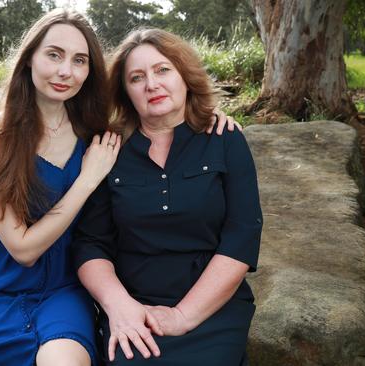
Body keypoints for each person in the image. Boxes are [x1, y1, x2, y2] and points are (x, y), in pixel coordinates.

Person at [0, 9, 240, 366]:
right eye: (54, 55)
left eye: (79, 61)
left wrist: (211, 116)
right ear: (29, 59)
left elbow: (158, 117)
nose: (65, 72)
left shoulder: (96, 133)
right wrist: (87, 180)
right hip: (2, 286)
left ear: (90, 72)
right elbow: (22, 249)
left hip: (66, 285)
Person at [72, 28, 263, 366]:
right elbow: (90, 244)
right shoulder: (109, 149)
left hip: (210, 307)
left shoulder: (225, 139)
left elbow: (242, 236)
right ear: (125, 92)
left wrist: (183, 316)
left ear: (185, 76)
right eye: (136, 77)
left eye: (163, 70)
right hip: (134, 306)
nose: (152, 84)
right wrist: (119, 306)